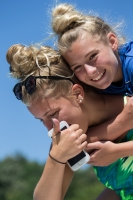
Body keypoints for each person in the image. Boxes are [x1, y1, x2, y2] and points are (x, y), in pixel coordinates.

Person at [6, 43, 133, 200]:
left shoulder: (129, 106)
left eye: (53, 114)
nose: (49, 128)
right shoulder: (64, 144)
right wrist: (57, 157)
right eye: (41, 121)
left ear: (78, 93)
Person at [50, 3, 133, 144]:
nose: (90, 71)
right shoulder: (86, 86)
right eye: (77, 67)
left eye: (92, 56)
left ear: (112, 42)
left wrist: (117, 151)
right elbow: (78, 142)